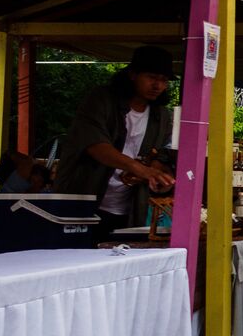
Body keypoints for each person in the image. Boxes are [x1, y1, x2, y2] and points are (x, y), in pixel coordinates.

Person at [55, 46, 177, 238]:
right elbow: (95, 145)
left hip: (129, 210)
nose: (158, 85)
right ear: (132, 74)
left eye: (163, 80)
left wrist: (156, 173)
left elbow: (160, 154)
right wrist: (140, 169)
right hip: (82, 202)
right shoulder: (101, 100)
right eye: (152, 77)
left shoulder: (161, 115)